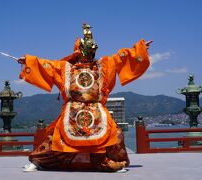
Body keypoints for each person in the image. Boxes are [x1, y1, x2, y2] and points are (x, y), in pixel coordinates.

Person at [18, 24, 152, 172]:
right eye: (86, 50)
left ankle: (111, 161)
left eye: (91, 50)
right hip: (72, 110)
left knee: (116, 134)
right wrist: (28, 61)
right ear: (78, 50)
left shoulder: (103, 65)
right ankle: (39, 162)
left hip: (96, 109)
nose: (88, 53)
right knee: (55, 137)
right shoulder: (65, 68)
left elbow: (121, 58)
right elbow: (46, 65)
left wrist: (139, 50)